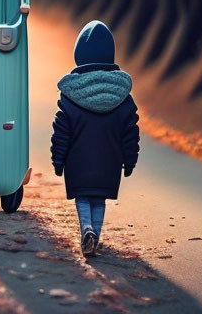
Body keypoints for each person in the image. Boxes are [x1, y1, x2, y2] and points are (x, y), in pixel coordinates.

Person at [50, 20, 140, 256]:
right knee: (99, 200)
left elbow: (61, 132)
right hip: (109, 163)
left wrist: (58, 160)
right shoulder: (124, 97)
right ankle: (95, 236)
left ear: (79, 56)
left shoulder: (70, 97)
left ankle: (86, 229)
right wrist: (130, 161)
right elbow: (130, 133)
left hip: (78, 163)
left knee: (83, 198)